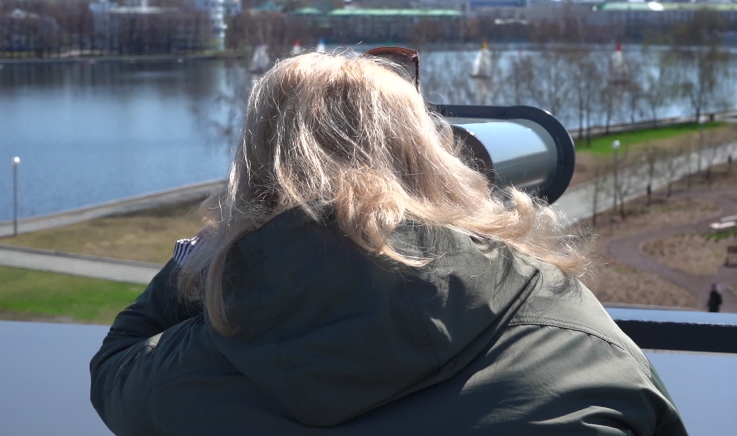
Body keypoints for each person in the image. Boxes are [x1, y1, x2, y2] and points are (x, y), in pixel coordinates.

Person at [90, 52, 686, 435]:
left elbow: (116, 362)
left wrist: (214, 252)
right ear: (429, 156)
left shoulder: (184, 374)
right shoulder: (570, 335)